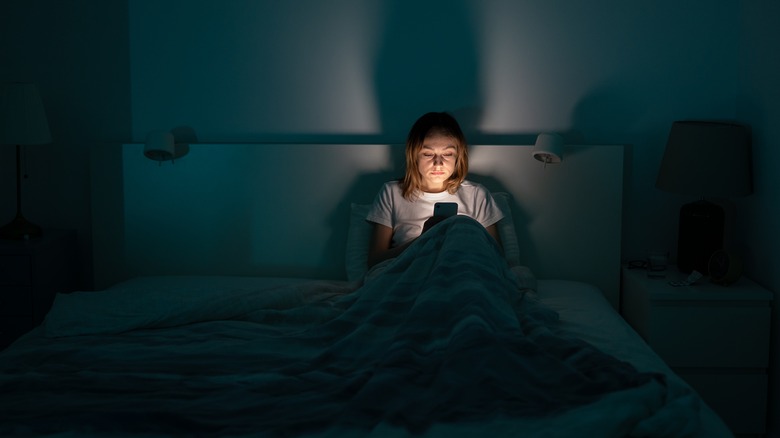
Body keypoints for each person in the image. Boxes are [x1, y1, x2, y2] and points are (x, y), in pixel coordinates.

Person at [366, 111, 504, 269]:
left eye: (447, 153)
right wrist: (425, 239)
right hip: (412, 273)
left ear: (458, 156)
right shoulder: (391, 193)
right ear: (414, 155)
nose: (438, 163)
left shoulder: (477, 195)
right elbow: (375, 262)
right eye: (428, 154)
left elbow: (497, 258)